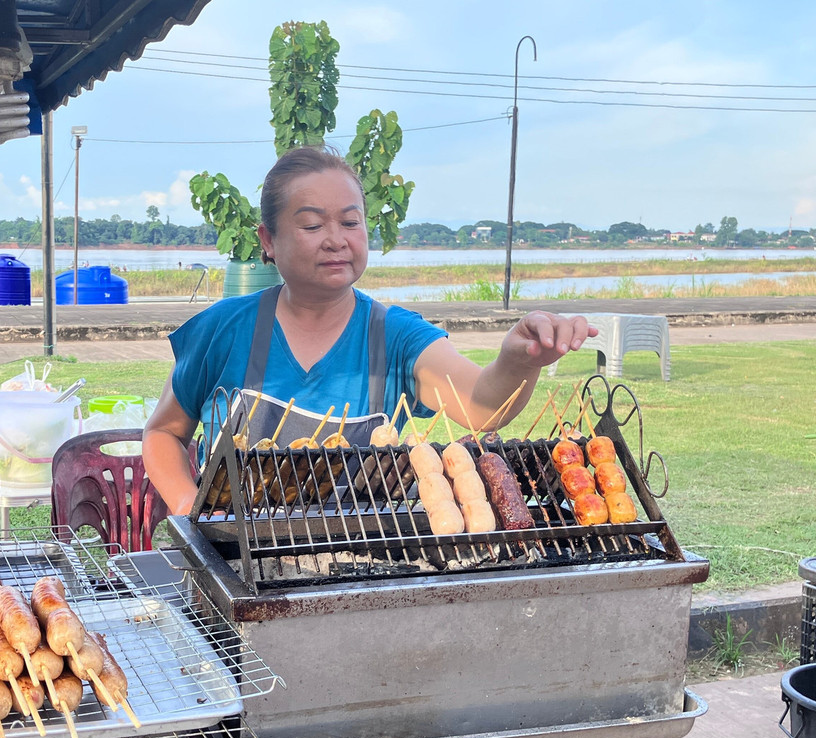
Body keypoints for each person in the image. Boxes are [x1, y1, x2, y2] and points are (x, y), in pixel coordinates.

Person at [142, 146, 596, 516]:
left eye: (351, 221)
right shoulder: (223, 329)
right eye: (312, 224)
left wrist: (518, 361)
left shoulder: (394, 336)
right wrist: (186, 504)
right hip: (231, 570)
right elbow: (163, 433)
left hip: (358, 567)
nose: (336, 238)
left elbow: (480, 407)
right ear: (268, 240)